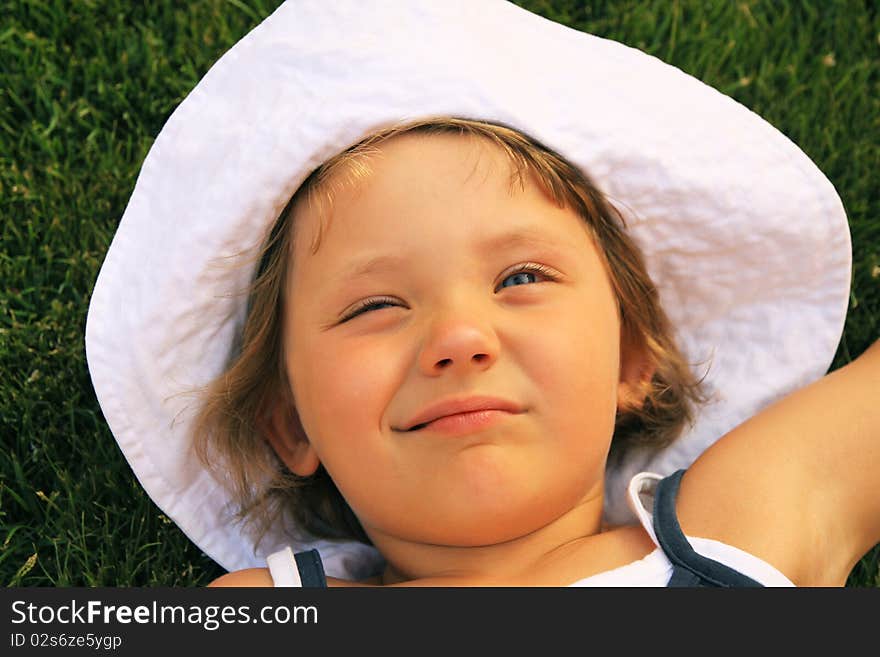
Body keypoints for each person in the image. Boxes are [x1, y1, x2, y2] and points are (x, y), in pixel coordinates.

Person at [84, 1, 876, 587]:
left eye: (521, 278)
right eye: (375, 306)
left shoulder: (738, 524)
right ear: (289, 421)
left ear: (633, 358)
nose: (459, 337)